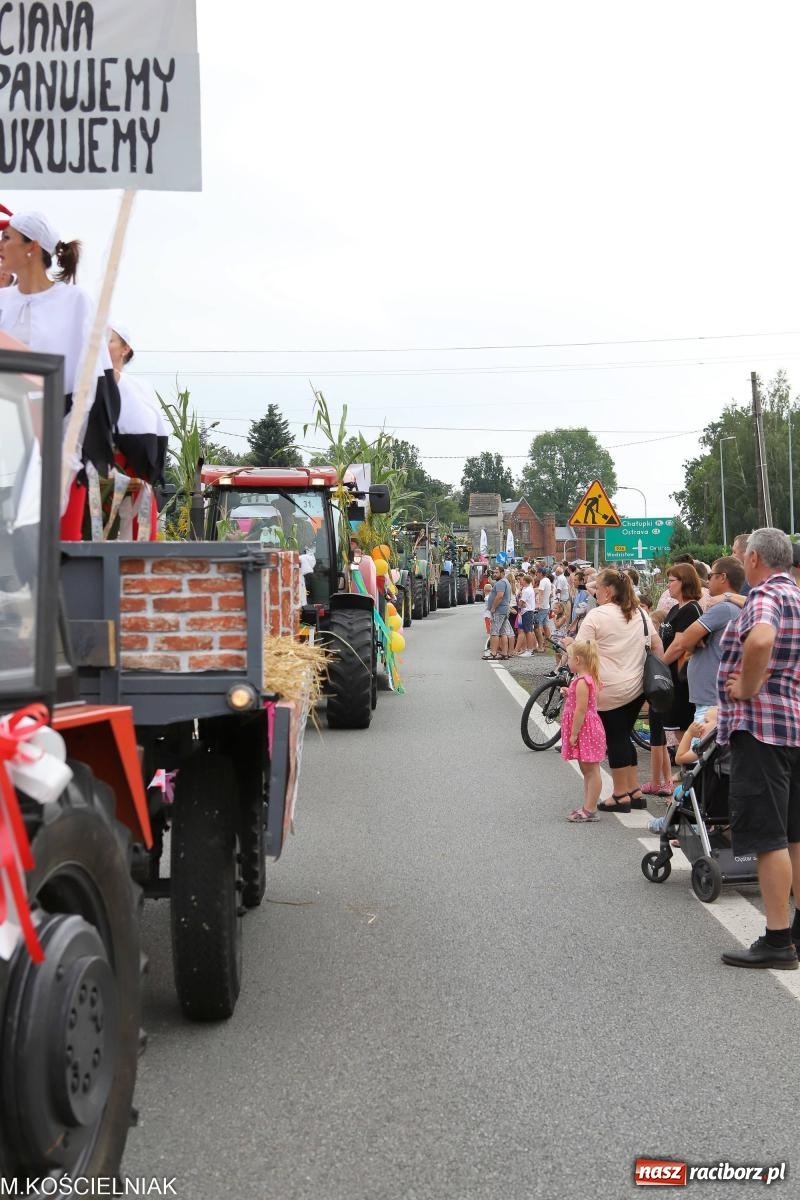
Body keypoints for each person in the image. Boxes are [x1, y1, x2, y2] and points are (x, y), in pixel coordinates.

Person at [0, 209, 120, 539]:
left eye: (6, 237)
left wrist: (69, 446)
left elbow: (92, 383)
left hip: (58, 431)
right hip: (7, 427)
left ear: (31, 247)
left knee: (47, 540)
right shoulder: (2, 301)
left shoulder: (74, 301)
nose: (0, 244)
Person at [716, 528, 800, 970]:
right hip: (794, 726)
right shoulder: (798, 596)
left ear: (752, 559)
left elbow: (761, 639)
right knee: (796, 836)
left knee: (769, 840)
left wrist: (747, 686)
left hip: (761, 731)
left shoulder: (766, 595)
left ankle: (777, 939)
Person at [571, 568, 664, 813]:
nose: (595, 592)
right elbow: (656, 645)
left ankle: (620, 794)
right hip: (637, 688)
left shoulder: (597, 616)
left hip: (608, 689)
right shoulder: (640, 613)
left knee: (616, 738)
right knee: (624, 734)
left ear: (609, 591)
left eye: (598, 588)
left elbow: (580, 650)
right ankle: (633, 789)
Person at [562, 641, 607, 823]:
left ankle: (590, 808)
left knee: (591, 769)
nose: (568, 662)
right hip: (587, 728)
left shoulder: (582, 682)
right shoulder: (586, 679)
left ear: (578, 660)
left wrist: (574, 734)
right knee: (587, 769)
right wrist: (569, 692)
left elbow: (581, 710)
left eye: (570, 658)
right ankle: (589, 805)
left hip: (585, 729)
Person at [659, 563, 704, 741]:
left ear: (684, 582)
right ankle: (687, 765)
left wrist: (660, 666)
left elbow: (679, 644)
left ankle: (690, 765)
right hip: (672, 675)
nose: (668, 585)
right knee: (677, 728)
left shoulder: (690, 610)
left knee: (684, 728)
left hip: (681, 676)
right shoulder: (676, 608)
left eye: (671, 581)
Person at [482, 564, 514, 661]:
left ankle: (493, 653)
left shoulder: (501, 583)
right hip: (504, 610)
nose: (495, 574)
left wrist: (493, 607)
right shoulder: (505, 582)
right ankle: (504, 653)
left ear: (502, 573)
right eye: (494, 572)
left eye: (497, 572)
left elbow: (499, 596)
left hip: (499, 610)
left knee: (494, 632)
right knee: (503, 632)